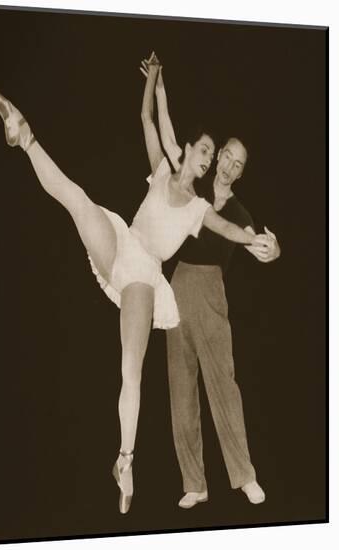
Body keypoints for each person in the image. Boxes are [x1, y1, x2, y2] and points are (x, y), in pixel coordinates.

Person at [0, 57, 269, 514]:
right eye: (203, 149)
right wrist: (156, 82)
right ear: (191, 149)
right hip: (121, 241)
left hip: (143, 275)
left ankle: (125, 460)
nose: (205, 158)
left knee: (131, 367)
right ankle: (24, 136)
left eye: (210, 155)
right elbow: (149, 118)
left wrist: (257, 238)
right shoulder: (161, 167)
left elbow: (230, 229)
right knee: (78, 200)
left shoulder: (199, 209)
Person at [142, 57, 280, 508]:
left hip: (211, 291)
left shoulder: (239, 213)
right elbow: (165, 131)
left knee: (224, 382)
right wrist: (159, 89)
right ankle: (195, 484)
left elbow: (257, 244)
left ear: (240, 172)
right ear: (216, 156)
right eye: (228, 157)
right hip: (177, 285)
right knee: (181, 387)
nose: (231, 167)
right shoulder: (194, 182)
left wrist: (272, 247)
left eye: (240, 165)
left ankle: (244, 476)